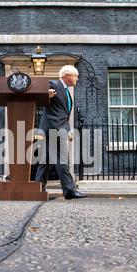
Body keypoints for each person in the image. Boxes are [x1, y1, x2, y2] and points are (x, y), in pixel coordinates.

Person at [35, 65, 87, 200]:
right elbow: (38, 95)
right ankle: (69, 191)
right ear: (67, 76)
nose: (77, 78)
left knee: (45, 160)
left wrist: (68, 129)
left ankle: (38, 188)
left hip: (55, 128)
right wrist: (46, 95)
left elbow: (62, 114)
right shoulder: (54, 84)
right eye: (75, 76)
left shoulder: (66, 91)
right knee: (62, 160)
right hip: (53, 129)